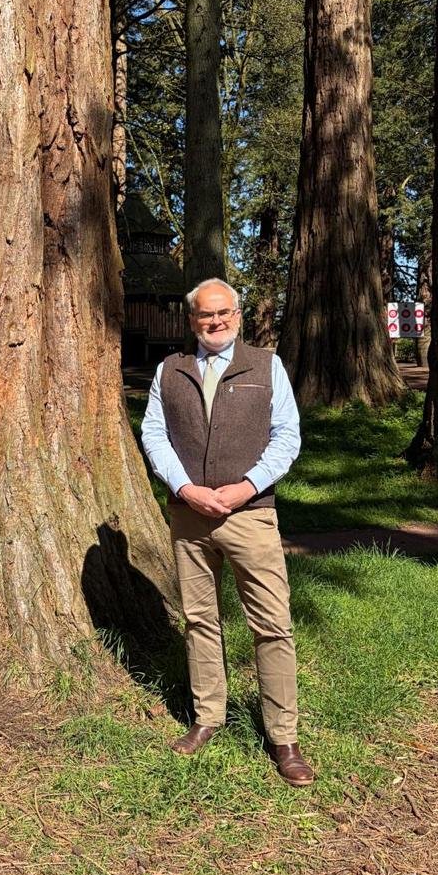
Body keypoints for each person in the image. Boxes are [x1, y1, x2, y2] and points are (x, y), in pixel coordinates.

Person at [140, 278, 314, 787]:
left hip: (250, 516)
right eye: (204, 316)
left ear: (238, 315)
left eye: (224, 314)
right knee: (200, 620)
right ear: (191, 321)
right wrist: (185, 488)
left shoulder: (267, 365)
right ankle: (207, 717)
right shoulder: (169, 371)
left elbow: (288, 437)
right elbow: (153, 433)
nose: (215, 322)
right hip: (190, 516)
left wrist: (246, 487)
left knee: (272, 624)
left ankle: (284, 736)